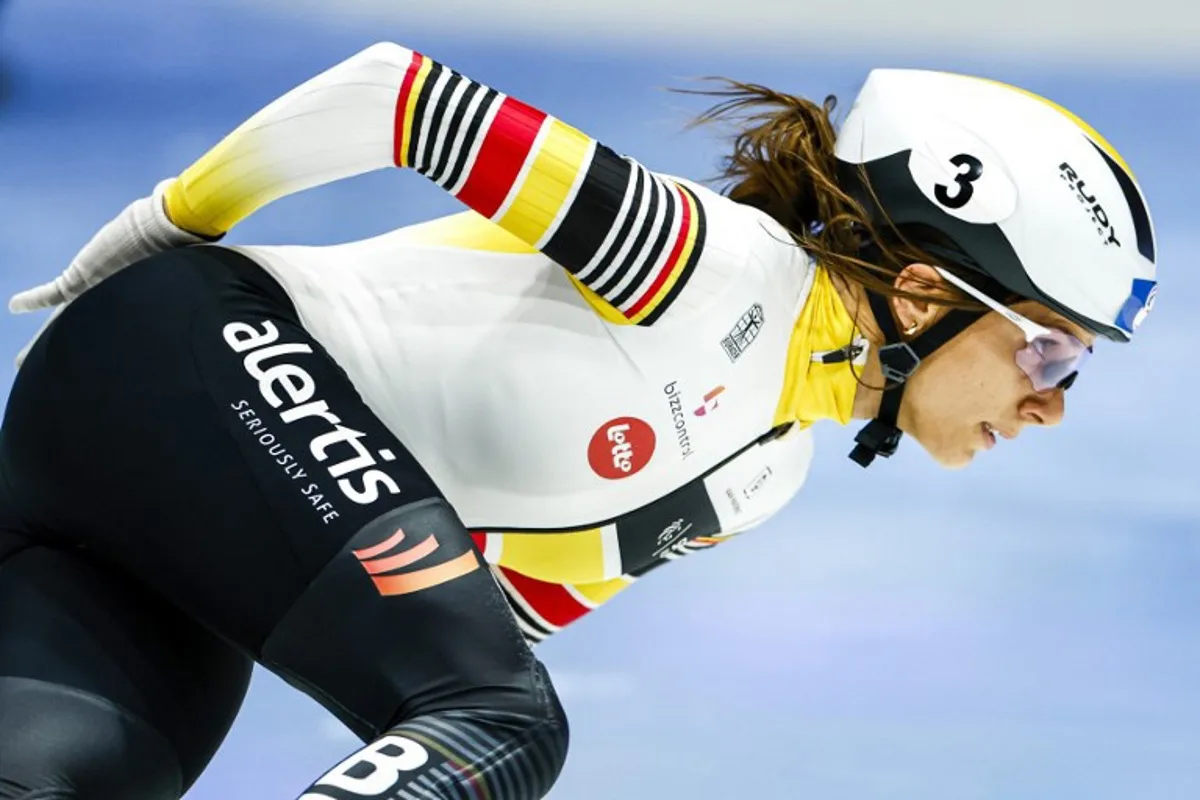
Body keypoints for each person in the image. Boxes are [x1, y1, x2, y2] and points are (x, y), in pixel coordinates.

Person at [0, 40, 1157, 800]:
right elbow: (392, 96)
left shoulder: (763, 475)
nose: (1052, 403)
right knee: (502, 718)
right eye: (1049, 346)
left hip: (199, 521)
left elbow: (497, 619)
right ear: (921, 294)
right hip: (185, 359)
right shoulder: (706, 265)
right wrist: (165, 225)